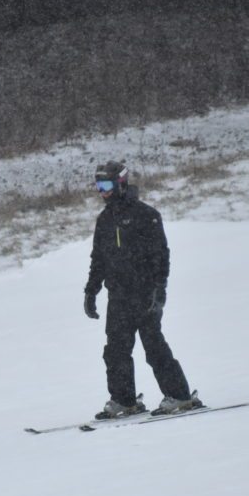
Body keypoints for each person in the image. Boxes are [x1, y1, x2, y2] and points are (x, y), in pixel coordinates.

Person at [83, 161, 202, 419]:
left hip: (145, 293)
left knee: (153, 345)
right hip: (118, 296)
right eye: (98, 186)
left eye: (106, 185)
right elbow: (98, 259)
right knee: (115, 350)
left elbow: (161, 255)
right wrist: (91, 292)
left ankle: (180, 397)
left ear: (121, 184)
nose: (101, 192)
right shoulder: (104, 220)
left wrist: (160, 290)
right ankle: (124, 401)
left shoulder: (145, 215)